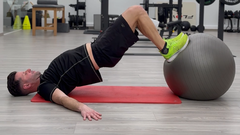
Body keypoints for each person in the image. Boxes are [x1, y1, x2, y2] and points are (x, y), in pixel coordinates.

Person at [7, 5, 189, 121]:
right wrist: (82, 107)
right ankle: (165, 48)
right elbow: (62, 99)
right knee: (135, 11)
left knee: (137, 17)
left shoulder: (47, 77)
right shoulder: (45, 87)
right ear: (28, 85)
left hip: (98, 47)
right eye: (24, 74)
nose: (28, 70)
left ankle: (161, 38)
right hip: (101, 52)